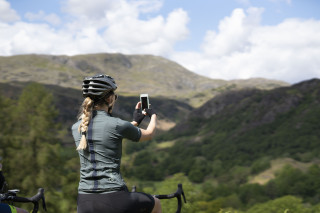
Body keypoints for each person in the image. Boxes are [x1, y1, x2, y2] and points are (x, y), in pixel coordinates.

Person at [71, 74, 162, 213]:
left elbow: (106, 132)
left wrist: (135, 122)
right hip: (113, 197)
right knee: (155, 203)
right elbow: (148, 134)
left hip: (84, 201)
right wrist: (153, 115)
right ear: (109, 98)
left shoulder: (77, 127)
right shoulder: (117, 124)